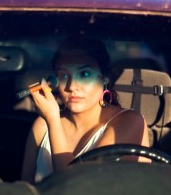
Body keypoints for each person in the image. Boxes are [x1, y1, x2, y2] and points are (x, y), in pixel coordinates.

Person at [21, 36, 150, 182]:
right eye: (63, 76)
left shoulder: (128, 122)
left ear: (105, 77)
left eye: (84, 74)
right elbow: (25, 191)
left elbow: (77, 186)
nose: (71, 86)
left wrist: (53, 120)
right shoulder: (42, 125)